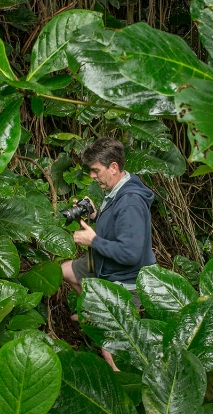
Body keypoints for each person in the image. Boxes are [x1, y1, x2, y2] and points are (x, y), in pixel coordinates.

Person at [61, 137, 156, 371]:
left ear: (113, 167)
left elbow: (130, 253)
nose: (92, 176)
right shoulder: (118, 188)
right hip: (105, 263)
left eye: (96, 171)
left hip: (126, 277)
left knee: (110, 347)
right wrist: (95, 215)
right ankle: (93, 311)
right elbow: (117, 225)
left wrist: (93, 240)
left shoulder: (131, 202)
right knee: (66, 271)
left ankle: (123, 384)